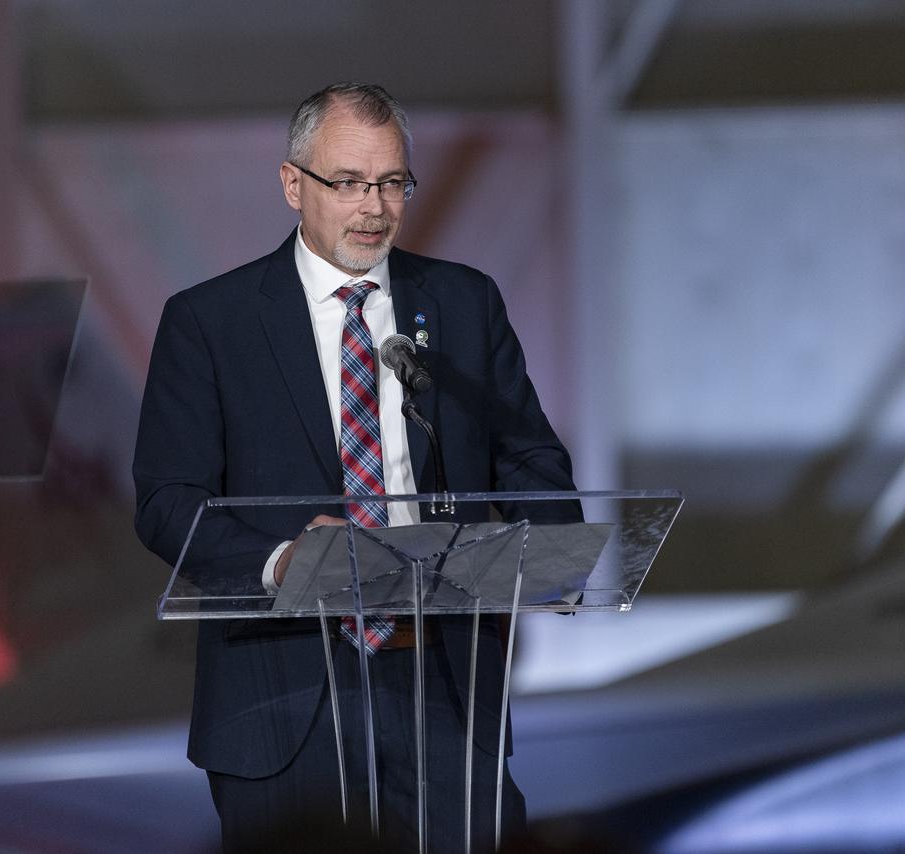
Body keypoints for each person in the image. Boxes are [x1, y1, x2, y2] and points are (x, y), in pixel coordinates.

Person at [133, 82, 578, 853]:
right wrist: (282, 562)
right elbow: (168, 501)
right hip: (285, 694)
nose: (374, 206)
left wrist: (553, 559)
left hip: (440, 680)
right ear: (292, 184)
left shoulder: (464, 304)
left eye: (393, 182)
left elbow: (530, 458)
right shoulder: (212, 322)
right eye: (348, 182)